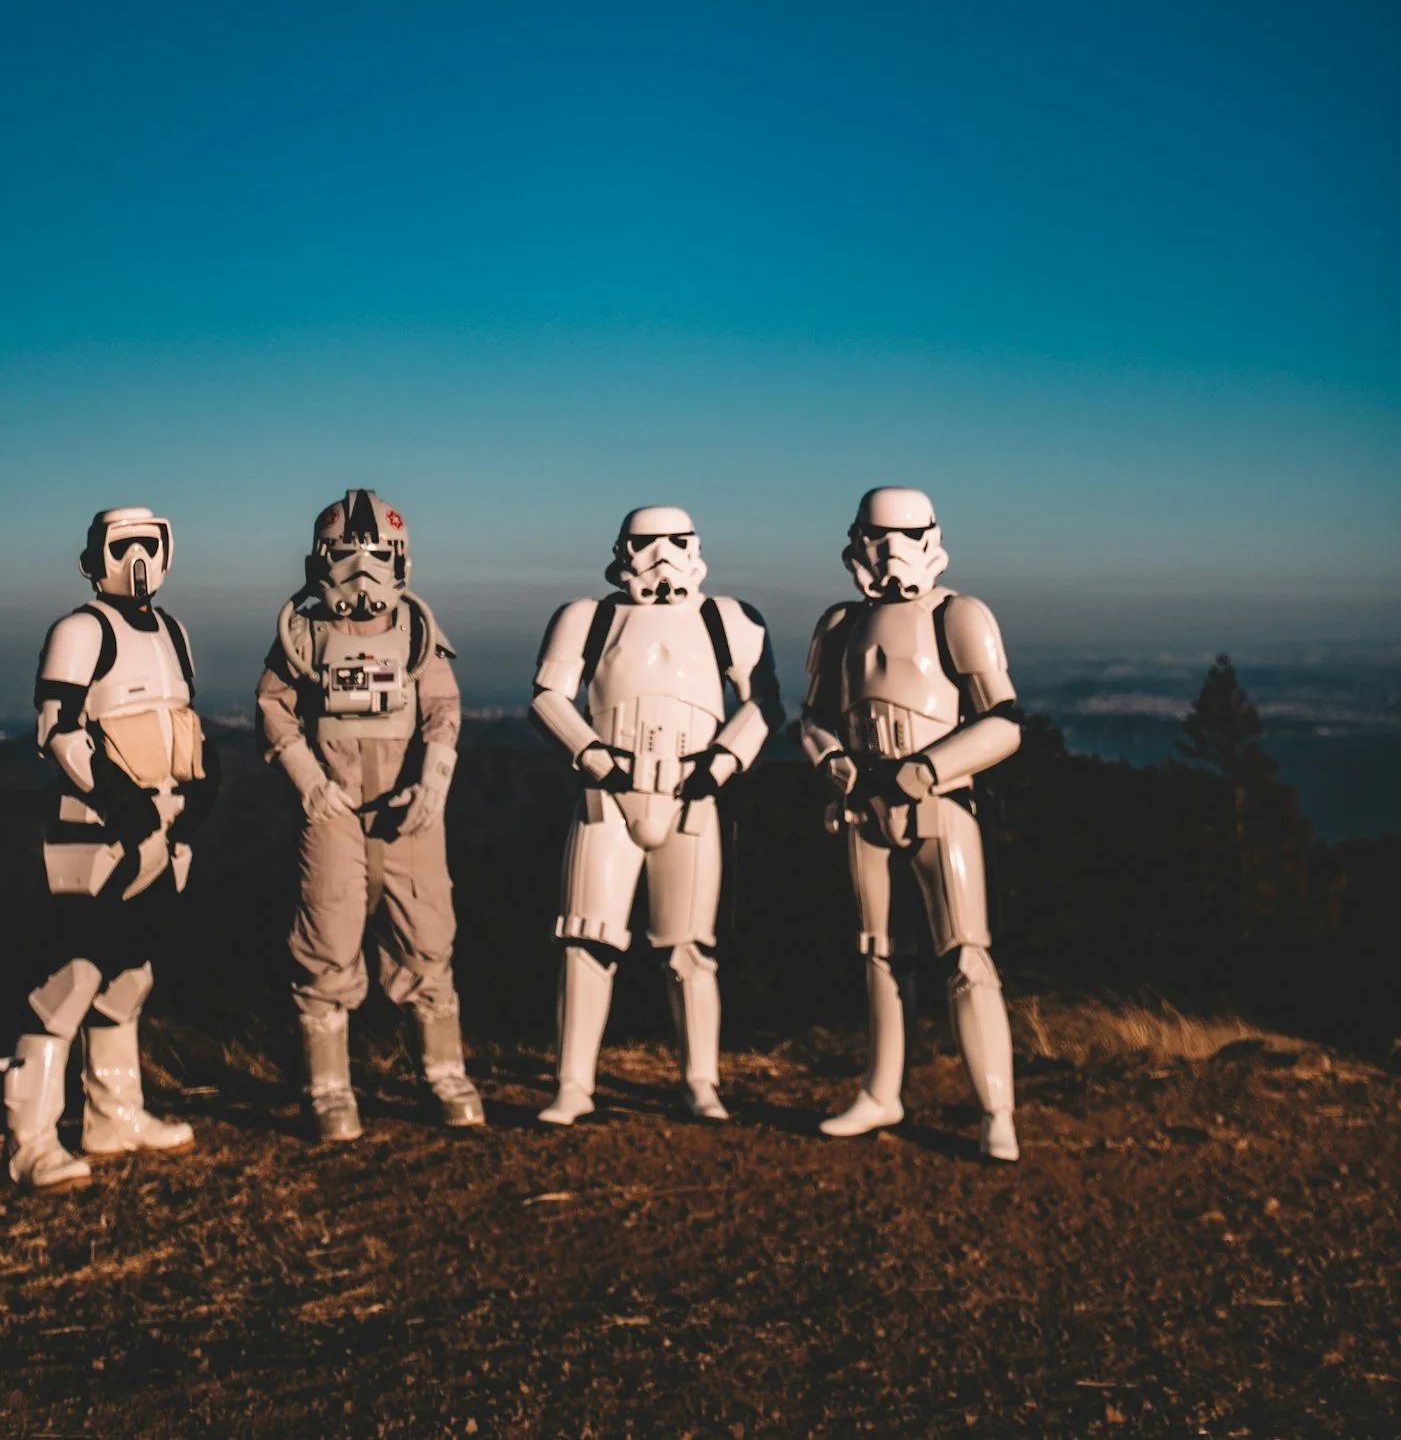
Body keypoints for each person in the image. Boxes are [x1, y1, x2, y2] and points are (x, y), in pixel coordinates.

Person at [530, 504, 782, 1125]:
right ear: (623, 550)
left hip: (691, 791)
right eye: (647, 544)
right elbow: (548, 699)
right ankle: (573, 1085)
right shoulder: (588, 618)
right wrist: (593, 758)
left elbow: (764, 703)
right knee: (587, 938)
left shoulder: (726, 618)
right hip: (608, 794)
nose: (661, 556)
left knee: (689, 947)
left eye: (675, 543)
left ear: (694, 546)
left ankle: (700, 1081)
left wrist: (721, 765)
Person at [0, 506, 217, 1190]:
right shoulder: (80, 630)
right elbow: (57, 729)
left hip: (165, 825)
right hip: (95, 828)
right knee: (73, 975)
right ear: (95, 556)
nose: (139, 558)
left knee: (130, 974)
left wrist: (200, 786)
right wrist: (116, 799)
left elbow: (180, 717)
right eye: (124, 546)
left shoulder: (173, 632)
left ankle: (113, 1112)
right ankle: (30, 1140)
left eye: (150, 543)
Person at [800, 485, 1023, 1162]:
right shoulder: (837, 624)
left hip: (938, 803)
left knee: (964, 955)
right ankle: (881, 1091)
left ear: (931, 538)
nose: (888, 549)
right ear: (855, 539)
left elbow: (1004, 721)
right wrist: (834, 764)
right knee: (879, 952)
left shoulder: (959, 614)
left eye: (903, 534)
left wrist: (924, 770)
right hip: (864, 804)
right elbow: (813, 717)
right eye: (875, 535)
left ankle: (995, 1111)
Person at [256, 488, 485, 1140]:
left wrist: (435, 780)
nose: (362, 570)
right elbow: (272, 708)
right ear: (319, 561)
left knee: (427, 931)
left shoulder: (415, 630)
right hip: (331, 806)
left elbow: (442, 709)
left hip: (408, 805)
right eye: (346, 555)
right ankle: (328, 1085)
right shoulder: (302, 635)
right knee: (326, 936)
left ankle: (443, 1071)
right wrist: (305, 779)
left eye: (376, 556)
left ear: (399, 560)